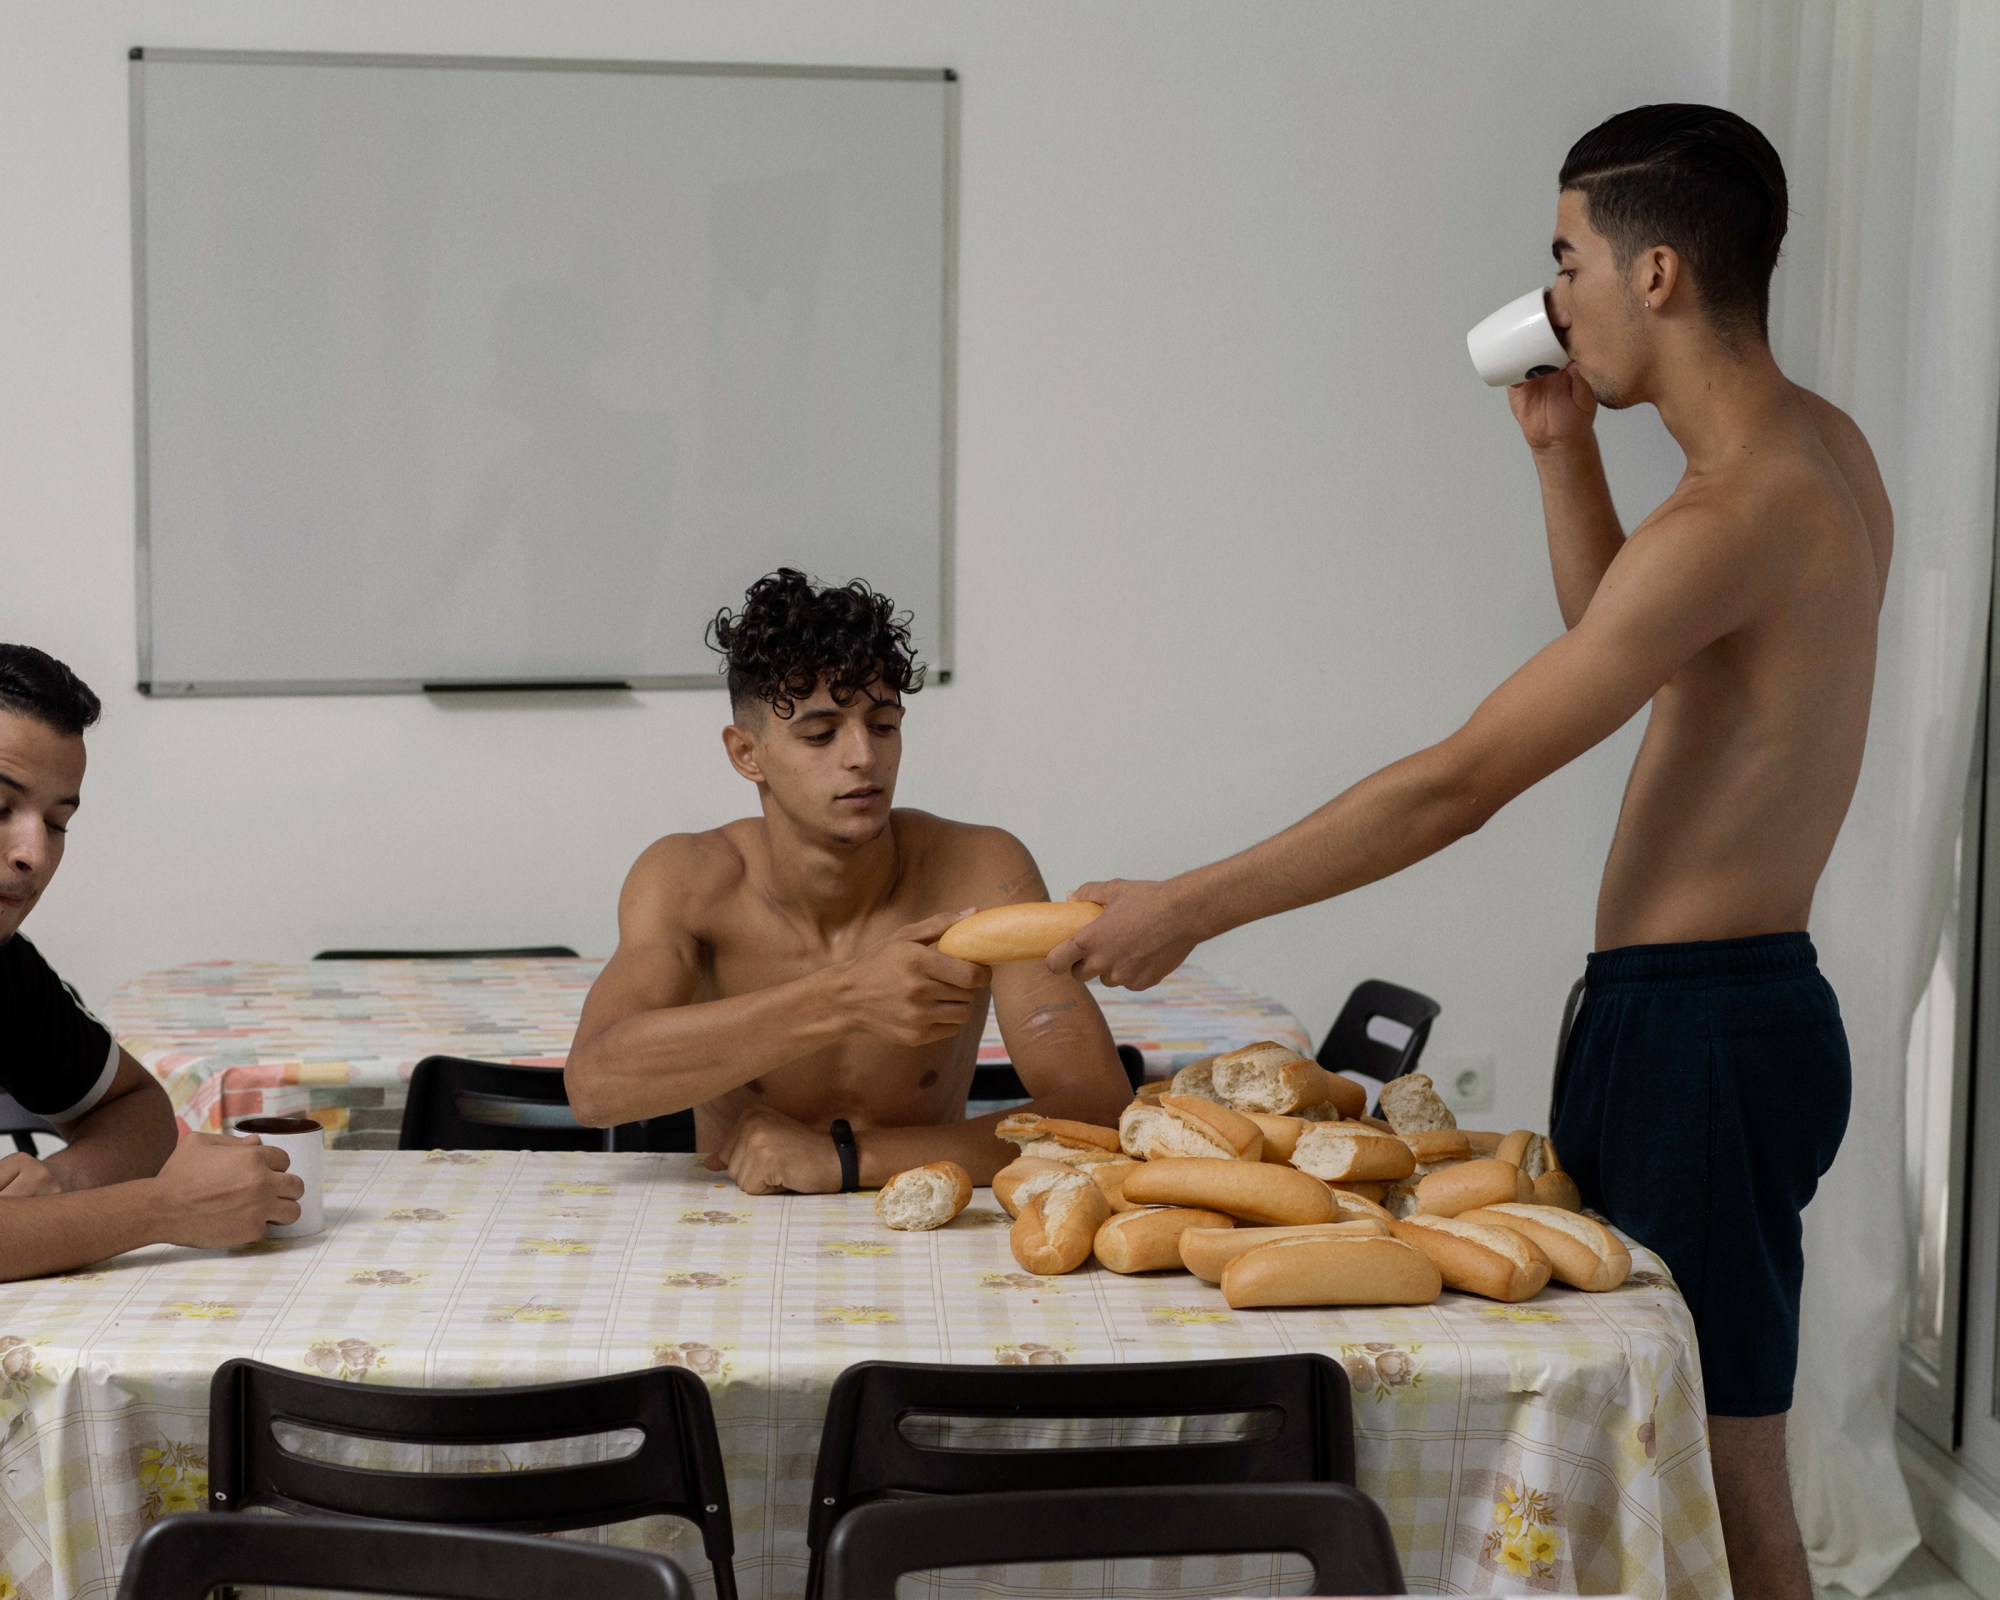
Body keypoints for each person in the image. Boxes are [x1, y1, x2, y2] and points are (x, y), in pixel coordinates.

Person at [1048, 105, 1884, 1600]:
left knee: (1715, 1462)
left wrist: (1188, 906)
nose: (1551, 296)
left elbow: (1459, 786)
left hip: (1697, 1032)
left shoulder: (1731, 512)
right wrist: (1562, 453)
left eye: (1568, 258)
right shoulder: (1818, 455)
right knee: (1697, 1442)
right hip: (1729, 1012)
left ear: (1660, 275)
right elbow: (1632, 636)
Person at [566, 570, 1131, 1192]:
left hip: (925, 1228)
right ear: (746, 754)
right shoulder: (686, 880)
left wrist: (845, 1159)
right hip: (732, 1235)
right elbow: (595, 1086)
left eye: (883, 725)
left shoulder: (981, 870)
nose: (863, 755)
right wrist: (847, 999)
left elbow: (1099, 1113)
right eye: (820, 733)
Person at [0, 645, 305, 1282]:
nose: (33, 853)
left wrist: (61, 1184)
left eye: (57, 823)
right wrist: (163, 1209)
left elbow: (135, 1109)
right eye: (0, 808)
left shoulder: (7, 970)